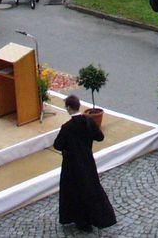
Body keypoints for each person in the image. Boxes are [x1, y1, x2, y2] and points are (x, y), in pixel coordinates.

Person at [53, 94, 117, 233]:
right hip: (87, 161)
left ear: (69, 108)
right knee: (91, 188)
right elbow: (100, 137)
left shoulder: (67, 127)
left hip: (71, 165)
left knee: (75, 192)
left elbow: (57, 145)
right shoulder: (89, 121)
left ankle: (80, 221)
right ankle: (99, 217)